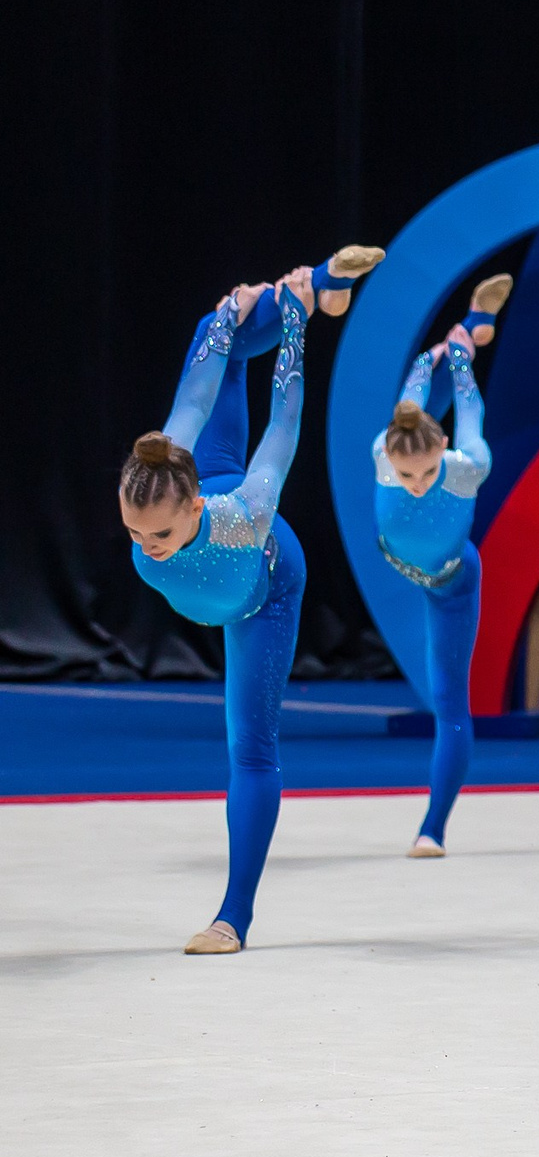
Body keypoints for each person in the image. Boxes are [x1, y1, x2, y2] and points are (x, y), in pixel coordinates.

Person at [121, 247, 385, 954]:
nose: (146, 544)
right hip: (212, 508)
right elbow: (196, 395)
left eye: (159, 533)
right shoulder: (162, 467)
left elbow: (284, 423)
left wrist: (295, 328)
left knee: (251, 750)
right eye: (134, 531)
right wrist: (222, 325)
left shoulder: (244, 510)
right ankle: (321, 282)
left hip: (262, 586)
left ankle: (233, 917)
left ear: (195, 504)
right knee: (217, 330)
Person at [374, 275, 514, 858]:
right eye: (409, 476)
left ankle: (433, 827)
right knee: (416, 401)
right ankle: (471, 327)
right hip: (409, 565)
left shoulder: (466, 464)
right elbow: (410, 404)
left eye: (427, 471)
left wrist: (458, 361)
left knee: (449, 702)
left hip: (454, 581)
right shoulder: (386, 451)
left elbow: (469, 411)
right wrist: (432, 359)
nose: (417, 482)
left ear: (442, 458)